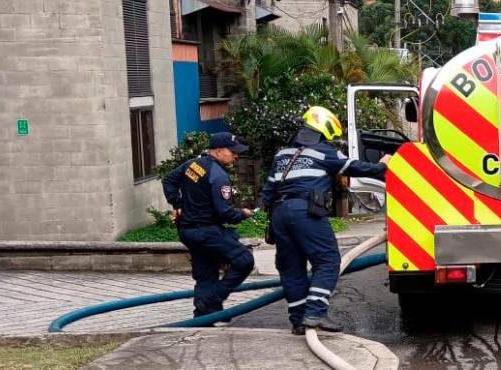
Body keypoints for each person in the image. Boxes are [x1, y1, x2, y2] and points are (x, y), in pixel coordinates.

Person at [262, 106, 389, 335]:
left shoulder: (281, 156)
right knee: (328, 261)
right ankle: (315, 312)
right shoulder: (325, 152)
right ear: (323, 132)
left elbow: (267, 192)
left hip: (279, 213)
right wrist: (383, 166)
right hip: (305, 212)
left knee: (291, 268)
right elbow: (356, 168)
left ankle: (298, 321)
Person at [161, 132, 255, 319]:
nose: (236, 156)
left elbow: (169, 181)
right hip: (206, 231)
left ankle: (205, 318)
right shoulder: (219, 176)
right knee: (244, 261)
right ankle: (212, 300)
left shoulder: (193, 165)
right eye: (233, 152)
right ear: (219, 151)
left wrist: (177, 204)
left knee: (206, 272)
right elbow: (225, 213)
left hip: (187, 231)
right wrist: (243, 214)